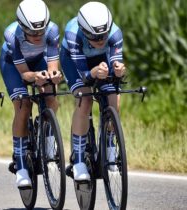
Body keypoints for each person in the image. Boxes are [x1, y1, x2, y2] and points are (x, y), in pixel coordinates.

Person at [0, 0, 62, 188]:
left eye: (41, 30)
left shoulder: (52, 30)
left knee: (51, 96)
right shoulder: (12, 35)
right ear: (22, 26)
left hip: (38, 61)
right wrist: (35, 77)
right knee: (23, 104)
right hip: (14, 66)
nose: (38, 35)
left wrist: (54, 75)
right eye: (33, 32)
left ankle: (49, 141)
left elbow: (52, 66)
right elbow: (25, 75)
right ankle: (20, 163)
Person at [60, 1, 126, 181]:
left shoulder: (115, 33)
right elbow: (84, 75)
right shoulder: (73, 33)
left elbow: (115, 63)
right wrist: (94, 73)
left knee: (114, 97)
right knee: (85, 100)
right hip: (75, 63)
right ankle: (79, 160)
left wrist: (119, 70)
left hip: (101, 59)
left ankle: (109, 146)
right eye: (94, 37)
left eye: (103, 36)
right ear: (84, 30)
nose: (100, 40)